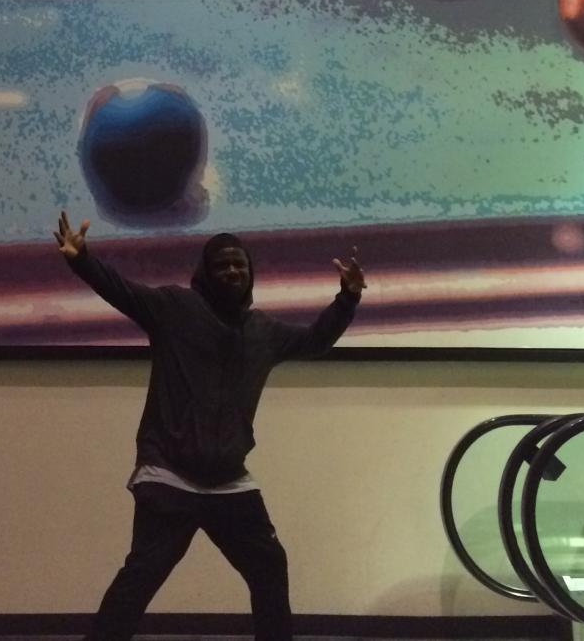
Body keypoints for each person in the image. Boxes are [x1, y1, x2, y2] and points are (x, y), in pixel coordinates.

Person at [53, 211, 365, 641]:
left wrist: (347, 298)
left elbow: (316, 340)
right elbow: (122, 291)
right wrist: (81, 259)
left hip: (228, 482)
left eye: (240, 264)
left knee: (269, 566)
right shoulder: (174, 308)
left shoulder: (263, 331)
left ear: (250, 273)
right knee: (142, 575)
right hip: (169, 475)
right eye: (222, 265)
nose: (232, 271)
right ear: (205, 273)